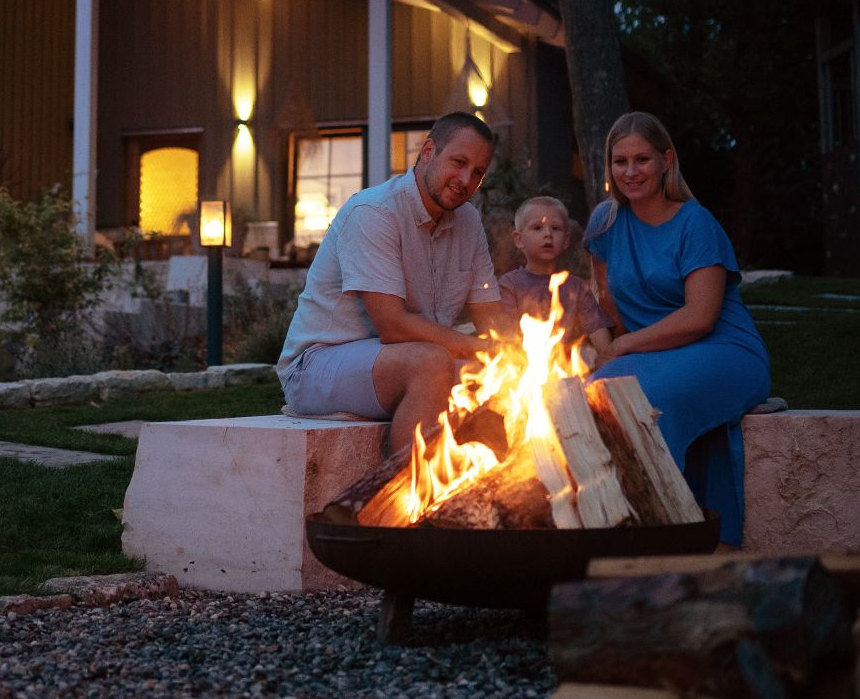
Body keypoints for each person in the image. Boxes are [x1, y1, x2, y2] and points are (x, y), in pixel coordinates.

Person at [583, 111, 770, 547]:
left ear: (667, 160)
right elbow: (611, 301)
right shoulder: (605, 225)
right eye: (619, 161)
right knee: (591, 395)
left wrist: (626, 345)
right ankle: (596, 527)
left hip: (725, 350)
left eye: (642, 159)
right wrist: (622, 350)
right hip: (657, 352)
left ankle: (659, 538)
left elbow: (700, 317)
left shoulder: (695, 222)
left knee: (652, 402)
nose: (630, 172)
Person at [277, 112, 508, 451]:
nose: (465, 179)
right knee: (431, 364)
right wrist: (480, 348)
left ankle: (495, 493)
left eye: (477, 173)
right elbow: (393, 326)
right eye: (458, 162)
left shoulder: (468, 222)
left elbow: (492, 318)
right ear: (428, 152)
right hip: (317, 366)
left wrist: (520, 353)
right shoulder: (375, 211)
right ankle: (405, 494)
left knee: (495, 377)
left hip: (402, 358)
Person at [498, 195, 613, 357]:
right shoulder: (509, 284)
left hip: (569, 364)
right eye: (537, 228)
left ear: (566, 240)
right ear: (519, 239)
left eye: (556, 228)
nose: (548, 234)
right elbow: (508, 338)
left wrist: (609, 359)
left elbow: (599, 333)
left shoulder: (577, 288)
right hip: (525, 365)